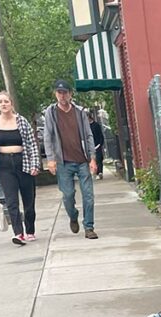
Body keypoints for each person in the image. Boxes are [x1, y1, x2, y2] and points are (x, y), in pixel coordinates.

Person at [43, 79, 98, 239]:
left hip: (82, 160)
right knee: (67, 195)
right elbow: (48, 136)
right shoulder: (51, 112)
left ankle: (89, 227)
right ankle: (73, 216)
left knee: (88, 195)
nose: (62, 95)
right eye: (59, 92)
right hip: (63, 162)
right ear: (56, 94)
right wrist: (51, 159)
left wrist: (92, 158)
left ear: (70, 94)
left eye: (65, 92)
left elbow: (88, 135)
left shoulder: (79, 112)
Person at [0, 91, 40, 245]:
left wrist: (35, 165)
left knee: (28, 200)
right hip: (4, 164)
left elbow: (31, 144)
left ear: (11, 104)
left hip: (23, 162)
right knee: (11, 201)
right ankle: (18, 233)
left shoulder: (21, 121)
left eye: (6, 101)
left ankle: (30, 230)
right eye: (0, 102)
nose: (4, 104)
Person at [88, 110, 105, 179]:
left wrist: (100, 144)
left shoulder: (96, 125)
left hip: (97, 144)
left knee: (99, 159)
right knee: (92, 159)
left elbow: (100, 135)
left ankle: (99, 172)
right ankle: (94, 172)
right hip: (90, 146)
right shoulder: (85, 126)